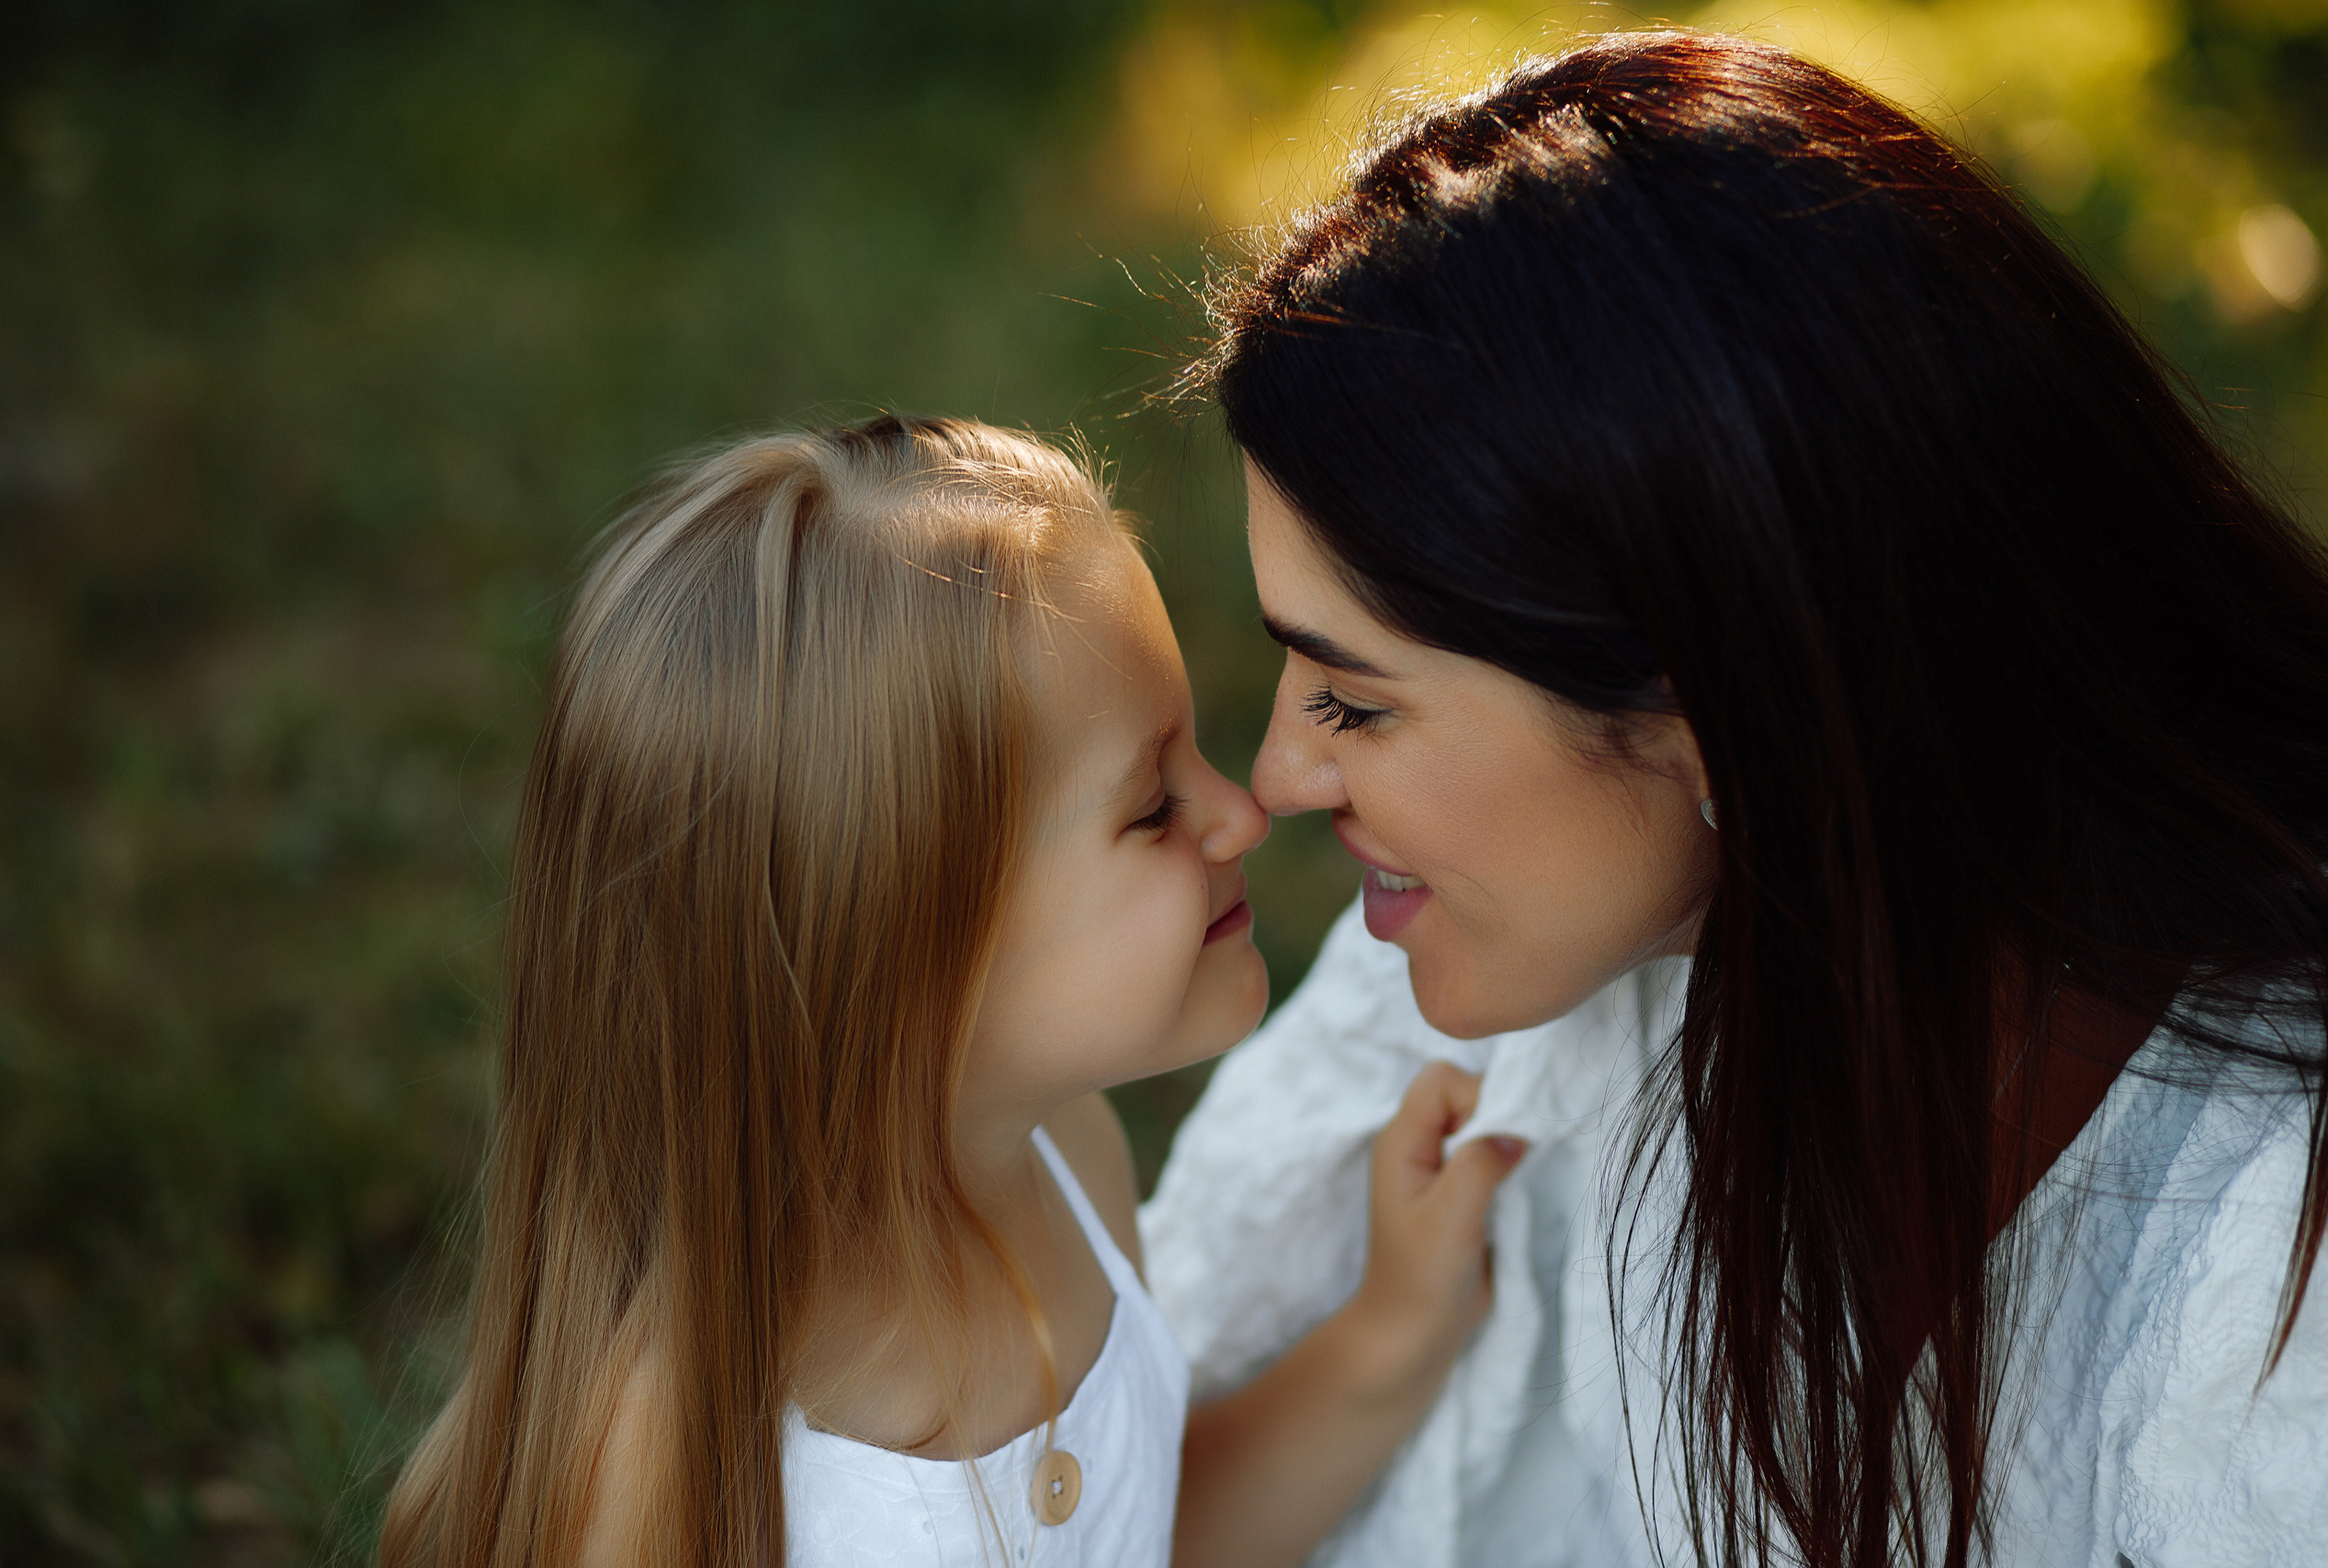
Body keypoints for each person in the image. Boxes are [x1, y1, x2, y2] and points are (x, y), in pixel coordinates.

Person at [1146, 31, 2328, 1568]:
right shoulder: (1507, 983)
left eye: (1355, 699)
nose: (1282, 779)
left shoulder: (2271, 1308)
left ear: (1722, 724)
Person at [373, 415, 1518, 1568]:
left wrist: (1390, 1338)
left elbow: (1146, 1540)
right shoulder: (670, 1465)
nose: (1240, 811)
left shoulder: (1069, 1158)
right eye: (1149, 807)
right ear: (904, 952)